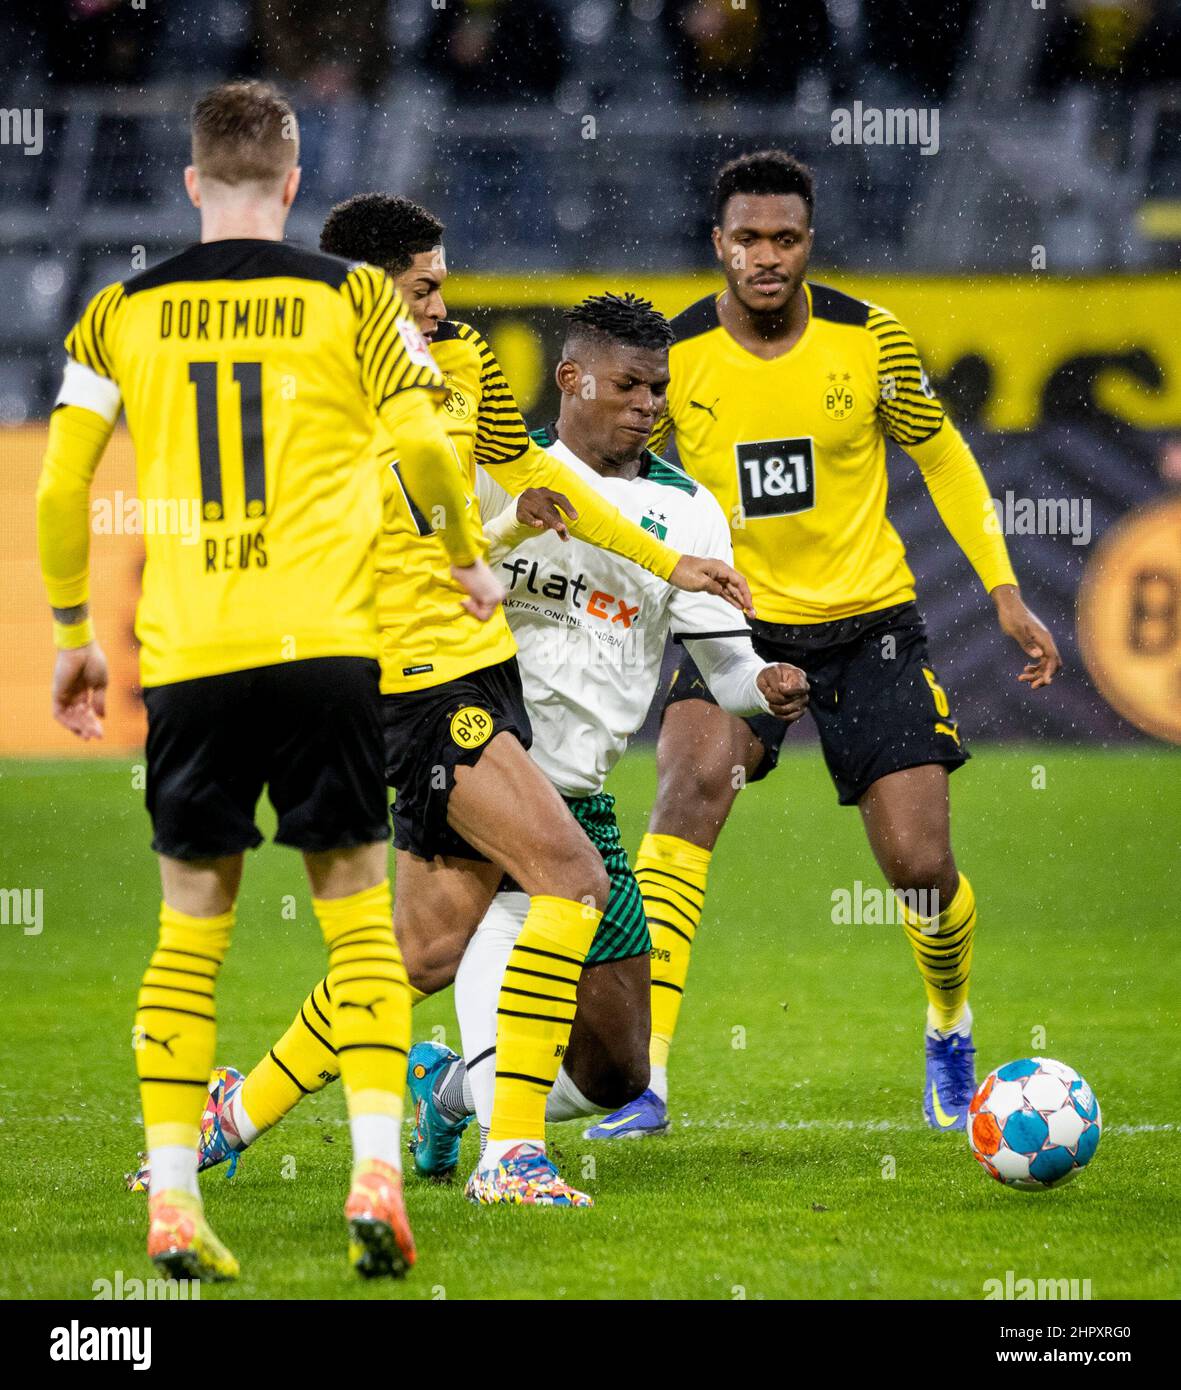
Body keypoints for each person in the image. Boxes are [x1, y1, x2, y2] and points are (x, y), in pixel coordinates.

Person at [124, 196, 754, 1207]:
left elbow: (527, 467)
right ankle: (510, 1155)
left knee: (420, 950)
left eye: (443, 284)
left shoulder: (460, 362)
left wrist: (661, 556)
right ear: (366, 290)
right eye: (424, 288)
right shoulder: (314, 394)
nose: (443, 305)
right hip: (405, 688)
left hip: (472, 673)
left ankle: (228, 1115)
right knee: (569, 876)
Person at [36, 81, 497, 1281]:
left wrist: (75, 628)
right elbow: (425, 446)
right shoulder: (349, 295)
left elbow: (59, 484)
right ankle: (376, 1174)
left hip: (190, 661)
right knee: (356, 923)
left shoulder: (117, 312)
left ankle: (177, 1202)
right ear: (292, 185)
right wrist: (463, 561)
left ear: (192, 183)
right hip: (326, 653)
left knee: (189, 933)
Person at [590, 150, 1063, 1140]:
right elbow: (614, 479)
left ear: (808, 244)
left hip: (870, 627)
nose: (765, 257)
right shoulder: (674, 358)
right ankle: (649, 1079)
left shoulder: (868, 339)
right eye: (746, 239)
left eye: (785, 239)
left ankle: (946, 1023)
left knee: (918, 863)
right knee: (683, 798)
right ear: (716, 244)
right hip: (736, 622)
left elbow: (939, 451)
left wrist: (1003, 588)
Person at [401, 292, 807, 1202]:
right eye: (628, 384)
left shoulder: (688, 511)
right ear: (571, 377)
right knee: (442, 951)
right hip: (480, 763)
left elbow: (724, 663)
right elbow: (429, 575)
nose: (647, 403)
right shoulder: (502, 472)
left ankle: (450, 1091)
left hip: (582, 794)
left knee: (618, 1070)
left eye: (659, 387)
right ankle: (502, 1157)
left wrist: (764, 687)